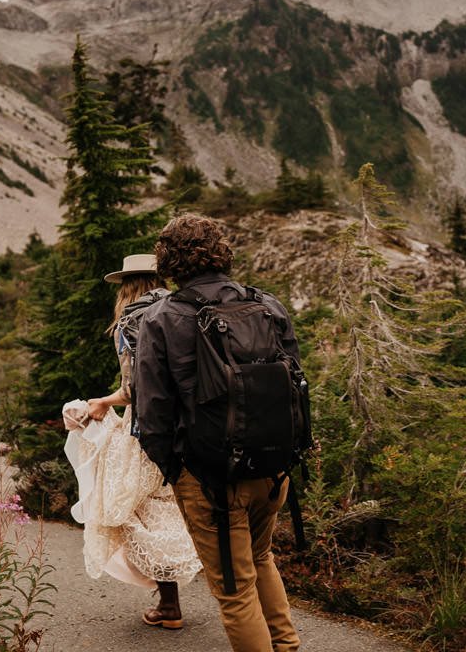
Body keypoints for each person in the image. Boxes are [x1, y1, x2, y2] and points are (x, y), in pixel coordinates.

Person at [135, 214, 302, 652]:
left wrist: (178, 472)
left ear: (168, 259)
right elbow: (298, 385)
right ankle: (287, 646)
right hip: (273, 469)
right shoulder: (268, 305)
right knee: (261, 559)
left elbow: (151, 413)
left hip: (208, 478)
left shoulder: (160, 319)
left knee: (233, 590)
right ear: (219, 250)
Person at [62, 253, 201, 629]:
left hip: (149, 431)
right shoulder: (185, 311)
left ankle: (170, 604)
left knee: (137, 510)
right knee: (178, 508)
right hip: (196, 427)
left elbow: (134, 388)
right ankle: (227, 598)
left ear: (130, 285)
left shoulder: (133, 321)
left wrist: (102, 402)